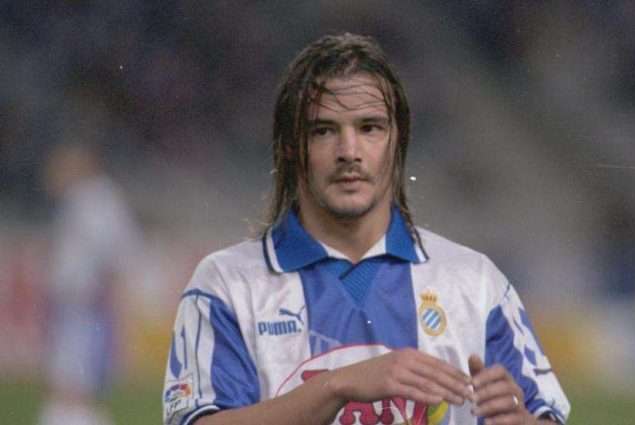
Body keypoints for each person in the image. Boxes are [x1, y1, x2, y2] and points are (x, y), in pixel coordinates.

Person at [163, 33, 570, 425]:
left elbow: (539, 415)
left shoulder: (475, 284)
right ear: (289, 145)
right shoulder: (227, 286)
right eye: (323, 131)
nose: (349, 152)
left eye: (369, 127)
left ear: (397, 140)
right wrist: (337, 386)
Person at [39, 142, 143, 425]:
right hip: (78, 299)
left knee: (75, 372)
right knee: (74, 370)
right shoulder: (86, 199)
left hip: (84, 300)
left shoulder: (94, 199)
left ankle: (74, 417)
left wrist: (108, 290)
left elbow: (113, 250)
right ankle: (75, 414)